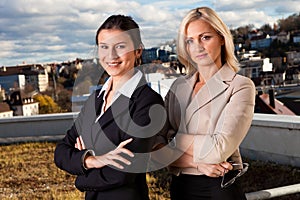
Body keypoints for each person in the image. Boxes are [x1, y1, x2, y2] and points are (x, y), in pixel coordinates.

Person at [54, 15, 166, 200]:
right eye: (104, 47)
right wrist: (92, 160)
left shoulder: (148, 102)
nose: (111, 56)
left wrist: (80, 177)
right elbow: (61, 152)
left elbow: (122, 173)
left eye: (120, 46)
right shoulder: (96, 98)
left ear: (138, 51)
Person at [158, 7, 256, 200]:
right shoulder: (177, 87)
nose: (198, 47)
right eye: (190, 41)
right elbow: (155, 147)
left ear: (221, 38)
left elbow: (218, 149)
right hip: (180, 187)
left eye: (205, 37)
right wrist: (196, 163)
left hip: (219, 188)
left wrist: (173, 139)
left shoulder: (241, 86)